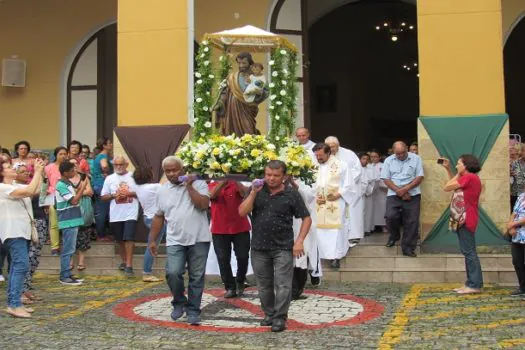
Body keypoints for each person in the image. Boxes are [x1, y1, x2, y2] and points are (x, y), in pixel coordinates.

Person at [239, 160, 311, 332]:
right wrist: (253, 193)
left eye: (276, 176)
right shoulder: (256, 190)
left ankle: (280, 318)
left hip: (283, 247)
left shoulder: (291, 193)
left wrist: (299, 241)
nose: (271, 179)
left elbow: (306, 218)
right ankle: (269, 313)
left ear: (284, 176)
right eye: (268, 175)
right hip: (258, 247)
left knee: (283, 284)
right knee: (263, 285)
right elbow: (242, 212)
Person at [149, 156, 211, 326]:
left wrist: (189, 186)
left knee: (196, 277)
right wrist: (152, 240)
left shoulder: (198, 183)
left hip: (199, 238)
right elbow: (158, 216)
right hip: (175, 239)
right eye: (168, 171)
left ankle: (193, 311)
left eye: (175, 169)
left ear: (182, 169)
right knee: (173, 273)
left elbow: (203, 205)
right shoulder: (162, 190)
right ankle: (179, 302)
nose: (172, 173)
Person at [0, 157, 45, 317]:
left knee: (16, 267)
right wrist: (38, 172)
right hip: (13, 232)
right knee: (20, 266)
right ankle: (14, 304)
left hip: (22, 231)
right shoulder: (2, 187)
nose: (13, 168)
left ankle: (15, 301)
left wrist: (40, 171)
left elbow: (36, 189)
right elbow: (28, 191)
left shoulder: (14, 185)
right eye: (8, 167)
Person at [441, 155, 483, 294]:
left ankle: (474, 284)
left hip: (466, 217)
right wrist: (448, 169)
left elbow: (447, 187)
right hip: (462, 217)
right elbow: (452, 184)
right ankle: (470, 283)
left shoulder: (469, 177)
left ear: (466, 165)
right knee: (467, 252)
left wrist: (457, 173)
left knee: (469, 252)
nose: (456, 166)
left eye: (459, 163)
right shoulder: (467, 178)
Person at [310, 143, 353, 268]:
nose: (318, 158)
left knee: (335, 231)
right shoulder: (312, 166)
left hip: (335, 202)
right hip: (317, 203)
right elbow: (308, 184)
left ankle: (335, 257)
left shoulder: (341, 165)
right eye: (316, 155)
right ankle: (318, 256)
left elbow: (349, 184)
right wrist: (314, 195)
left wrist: (339, 194)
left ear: (329, 153)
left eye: (321, 155)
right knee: (317, 230)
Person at [208, 180, 251, 298]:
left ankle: (240, 279)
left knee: (243, 256)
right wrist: (223, 182)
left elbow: (244, 194)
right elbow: (212, 195)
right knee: (223, 259)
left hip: (240, 227)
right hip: (219, 229)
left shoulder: (236, 183)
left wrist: (235, 179)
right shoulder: (212, 184)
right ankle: (229, 286)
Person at [381, 141, 424, 257]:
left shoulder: (416, 159)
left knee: (412, 221)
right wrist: (399, 191)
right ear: (393, 152)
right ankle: (394, 236)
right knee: (390, 216)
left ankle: (408, 248)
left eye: (403, 153)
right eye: (397, 154)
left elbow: (419, 177)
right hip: (394, 193)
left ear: (407, 148)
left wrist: (405, 190)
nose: (400, 155)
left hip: (412, 193)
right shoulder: (388, 160)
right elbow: (386, 179)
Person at [13, 163, 47, 303]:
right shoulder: (15, 187)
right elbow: (34, 191)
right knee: (26, 259)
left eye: (27, 171)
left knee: (34, 258)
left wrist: (41, 174)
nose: (26, 173)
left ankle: (25, 288)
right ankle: (20, 291)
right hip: (26, 225)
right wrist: (38, 174)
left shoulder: (29, 184)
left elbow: (41, 191)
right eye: (22, 172)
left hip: (38, 220)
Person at [101, 156, 138, 277]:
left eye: (121, 164)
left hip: (131, 212)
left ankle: (129, 265)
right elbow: (103, 197)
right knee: (120, 240)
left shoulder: (133, 176)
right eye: (116, 165)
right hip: (116, 214)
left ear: (126, 165)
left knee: (129, 238)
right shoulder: (109, 179)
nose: (118, 167)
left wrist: (129, 193)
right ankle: (124, 260)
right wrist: (114, 195)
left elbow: (142, 192)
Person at [214, 52, 268, 136]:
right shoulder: (232, 77)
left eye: (244, 63)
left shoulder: (256, 77)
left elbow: (264, 90)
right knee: (232, 134)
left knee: (249, 130)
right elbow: (224, 92)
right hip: (232, 111)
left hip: (248, 109)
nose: (241, 65)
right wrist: (220, 103)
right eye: (239, 63)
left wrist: (257, 95)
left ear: (250, 64)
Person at [325, 136, 363, 244]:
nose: (331, 149)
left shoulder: (349, 154)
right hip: (332, 189)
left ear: (338, 145)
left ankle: (353, 235)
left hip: (349, 188)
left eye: (333, 146)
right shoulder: (324, 155)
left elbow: (357, 170)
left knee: (351, 212)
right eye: (329, 147)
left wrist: (345, 182)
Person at [56, 161, 88, 286]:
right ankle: (64, 276)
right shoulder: (61, 185)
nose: (75, 172)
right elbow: (74, 201)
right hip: (67, 220)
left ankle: (68, 274)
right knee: (68, 250)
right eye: (72, 170)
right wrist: (84, 186)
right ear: (65, 173)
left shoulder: (67, 183)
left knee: (71, 249)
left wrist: (81, 184)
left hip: (73, 219)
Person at [133, 166, 165, 282]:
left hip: (147, 217)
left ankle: (147, 272)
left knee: (152, 244)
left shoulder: (138, 187)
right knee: (152, 245)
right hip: (156, 219)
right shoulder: (155, 186)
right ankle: (147, 273)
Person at [68, 159, 94, 272]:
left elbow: (90, 192)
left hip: (84, 208)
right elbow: (67, 194)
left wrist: (77, 192)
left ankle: (81, 261)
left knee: (83, 234)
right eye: (71, 164)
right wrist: (82, 191)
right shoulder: (65, 179)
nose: (74, 166)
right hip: (70, 209)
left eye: (76, 164)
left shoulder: (84, 177)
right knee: (70, 235)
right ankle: (70, 261)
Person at [45, 146, 69, 255]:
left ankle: (67, 245)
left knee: (67, 223)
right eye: (61, 154)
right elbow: (45, 184)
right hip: (52, 196)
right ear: (56, 155)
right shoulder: (49, 167)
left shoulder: (69, 167)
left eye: (65, 154)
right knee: (54, 223)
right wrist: (44, 202)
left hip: (67, 197)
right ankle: (55, 247)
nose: (63, 156)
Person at [92, 137, 113, 240]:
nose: (111, 145)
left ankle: (101, 233)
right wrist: (107, 172)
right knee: (103, 210)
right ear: (104, 145)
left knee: (101, 209)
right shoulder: (103, 156)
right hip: (102, 185)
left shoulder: (97, 156)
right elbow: (104, 166)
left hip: (97, 185)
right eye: (109, 143)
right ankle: (101, 235)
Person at [508, 188, 525, 298]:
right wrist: (510, 226)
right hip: (517, 236)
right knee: (517, 261)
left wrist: (513, 224)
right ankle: (522, 287)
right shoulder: (521, 196)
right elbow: (514, 213)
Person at [369, 150, 388, 233]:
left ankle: (384, 226)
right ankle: (371, 226)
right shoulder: (368, 166)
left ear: (379, 157)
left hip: (381, 191)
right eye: (372, 157)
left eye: (375, 157)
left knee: (382, 208)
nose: (373, 158)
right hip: (371, 191)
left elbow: (386, 176)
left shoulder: (383, 166)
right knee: (371, 209)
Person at [360, 152, 375, 236]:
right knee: (360, 212)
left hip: (368, 193)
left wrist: (367, 191)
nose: (365, 161)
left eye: (367, 159)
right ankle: (360, 230)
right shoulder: (357, 168)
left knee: (368, 211)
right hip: (359, 194)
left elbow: (372, 182)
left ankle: (367, 229)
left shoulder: (370, 169)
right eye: (363, 158)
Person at [510, 144, 525, 211]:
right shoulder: (515, 163)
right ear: (521, 152)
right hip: (516, 193)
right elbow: (512, 176)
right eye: (524, 151)